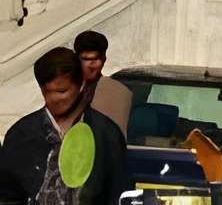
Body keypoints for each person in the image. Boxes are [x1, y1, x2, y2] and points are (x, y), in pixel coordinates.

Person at [1, 48, 126, 205]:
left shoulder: (107, 134)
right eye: (47, 91)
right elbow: (6, 196)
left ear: (81, 85)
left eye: (62, 91)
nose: (53, 98)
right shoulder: (20, 135)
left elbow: (119, 195)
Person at [71, 38, 131, 142]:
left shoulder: (113, 92)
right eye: (86, 59)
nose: (91, 65)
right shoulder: (68, 89)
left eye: (96, 59)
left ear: (104, 60)